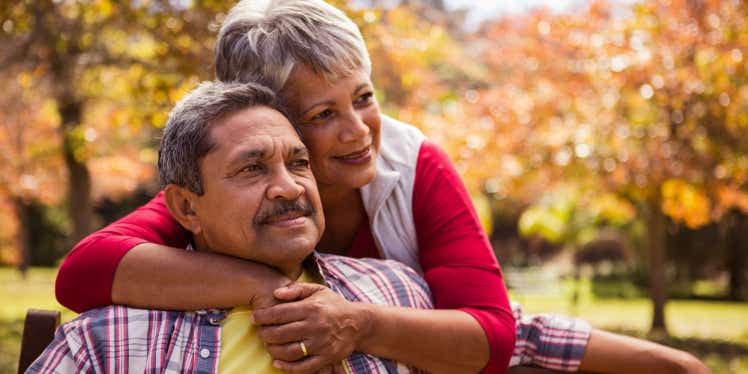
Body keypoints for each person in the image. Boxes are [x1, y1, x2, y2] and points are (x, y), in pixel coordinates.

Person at [54, 1, 709, 373]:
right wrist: (288, 293)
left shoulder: (411, 164)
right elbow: (85, 272)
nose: (358, 130)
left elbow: (496, 330)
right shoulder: (224, 182)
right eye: (321, 116)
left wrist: (354, 318)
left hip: (418, 331)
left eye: (363, 97)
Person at [29, 81, 435, 374]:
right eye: (252, 168)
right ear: (187, 207)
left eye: (298, 163)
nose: (289, 187)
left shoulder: (396, 293)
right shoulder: (105, 346)